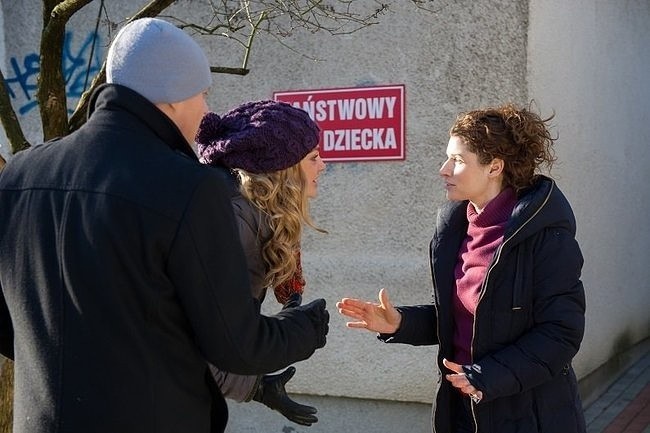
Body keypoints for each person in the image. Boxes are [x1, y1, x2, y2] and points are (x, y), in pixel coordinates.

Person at [0, 18, 329, 433]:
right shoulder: (190, 188)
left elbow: (8, 322)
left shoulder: (18, 175)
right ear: (173, 96)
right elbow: (237, 345)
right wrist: (308, 326)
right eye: (203, 93)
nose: (207, 111)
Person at [337, 103, 586, 433]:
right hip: (462, 411)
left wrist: (486, 376)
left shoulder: (545, 234)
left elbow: (560, 334)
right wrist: (399, 322)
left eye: (457, 160)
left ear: (494, 167)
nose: (443, 169)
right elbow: (463, 316)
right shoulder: (454, 228)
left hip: (530, 414)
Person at [195, 100, 327, 426]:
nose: (322, 165)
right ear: (282, 169)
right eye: (312, 158)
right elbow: (196, 339)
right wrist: (290, 335)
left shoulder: (253, 215)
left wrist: (258, 387)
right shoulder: (235, 222)